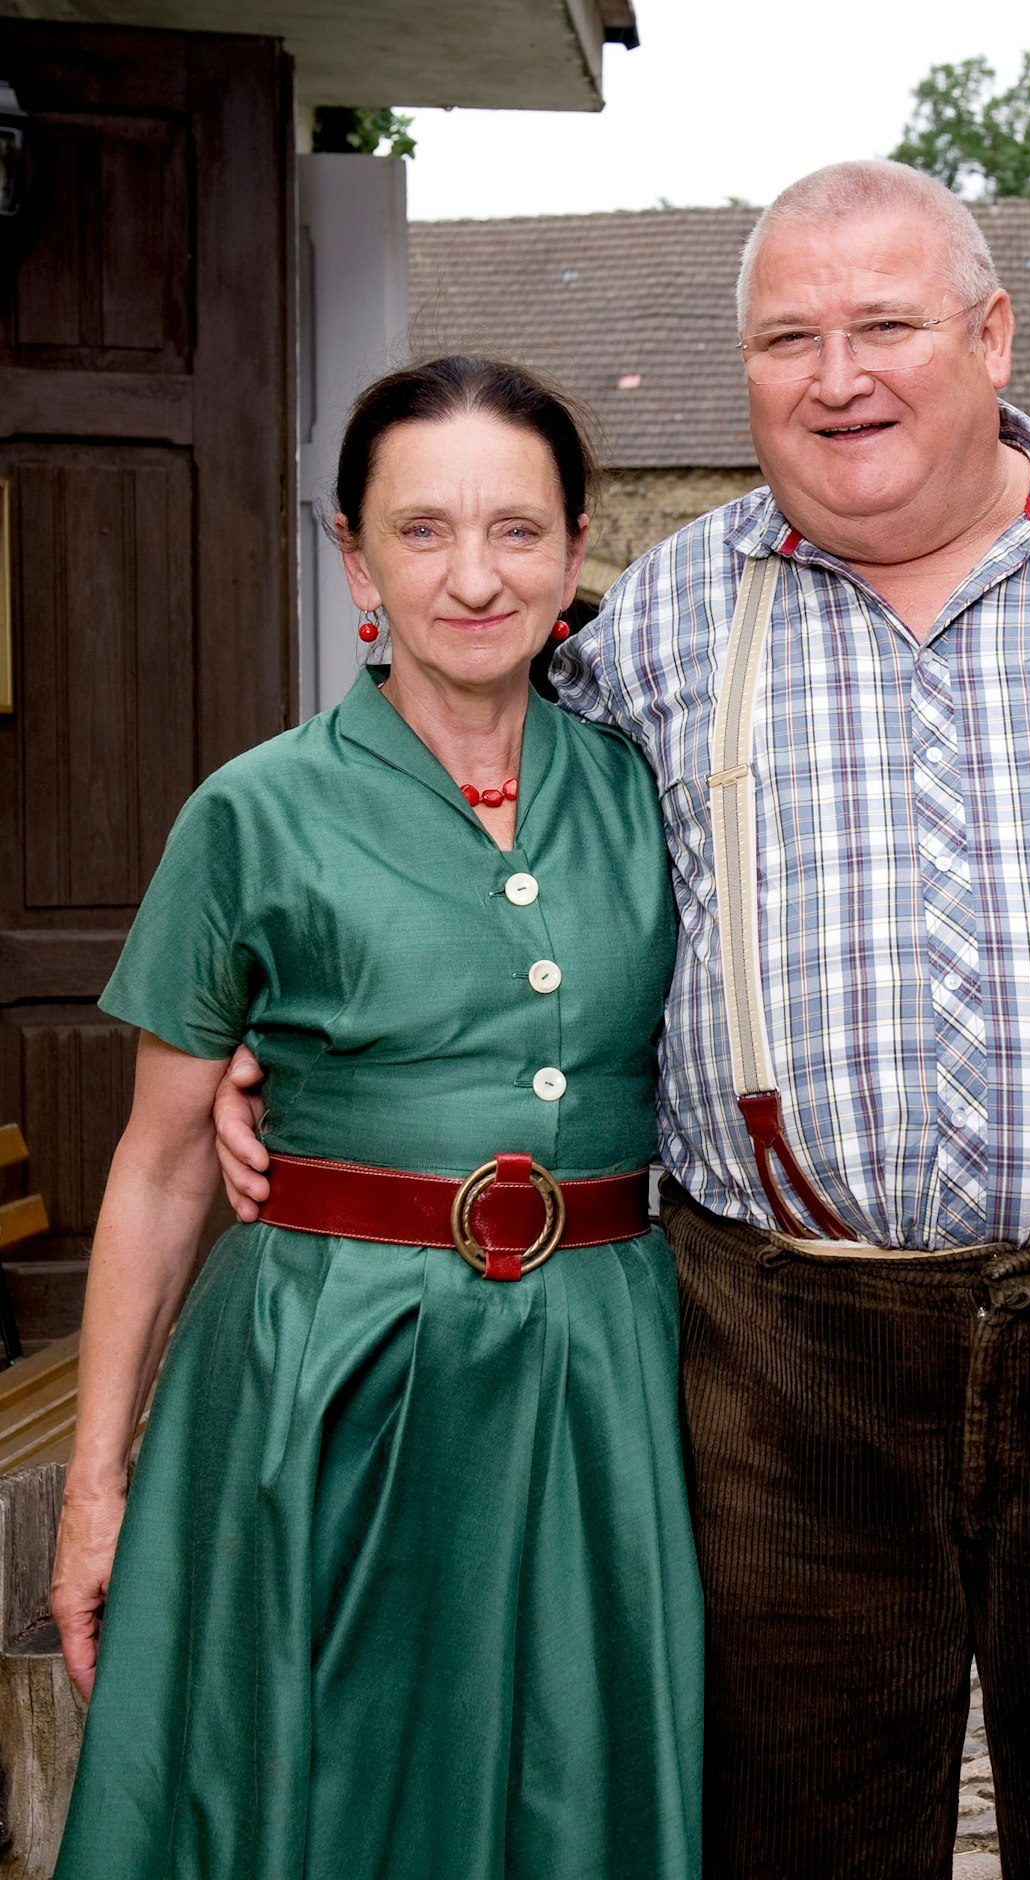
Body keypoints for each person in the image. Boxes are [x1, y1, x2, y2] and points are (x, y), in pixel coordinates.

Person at [215, 159, 1030, 1878]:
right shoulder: (664, 615)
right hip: (780, 1346)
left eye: (886, 324)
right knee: (798, 1821)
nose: (840, 376)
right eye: (789, 337)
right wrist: (299, 1040)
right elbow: (477, 825)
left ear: (990, 336)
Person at [50, 357, 702, 1880]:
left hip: (601, 1368)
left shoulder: (652, 792)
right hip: (317, 1369)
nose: (474, 576)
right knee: (317, 1792)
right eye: (421, 531)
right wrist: (97, 1492)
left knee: (571, 1784)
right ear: (351, 552)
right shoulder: (252, 812)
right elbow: (155, 1172)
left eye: (516, 531)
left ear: (575, 546)